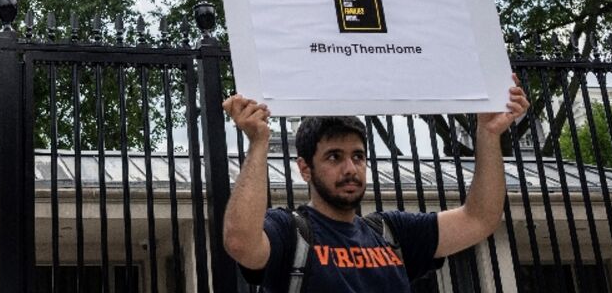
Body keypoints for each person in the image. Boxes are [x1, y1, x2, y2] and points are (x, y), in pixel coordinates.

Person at [221, 77, 528, 292]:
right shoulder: (290, 231)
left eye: (358, 156)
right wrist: (259, 142)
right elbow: (240, 242)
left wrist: (488, 135)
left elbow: (479, 219)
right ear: (305, 169)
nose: (350, 168)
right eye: (334, 157)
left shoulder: (393, 232)